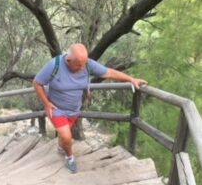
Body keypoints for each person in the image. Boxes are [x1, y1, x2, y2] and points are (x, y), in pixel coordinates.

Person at [33, 43, 147, 173]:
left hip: (74, 109)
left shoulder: (87, 64)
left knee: (65, 134)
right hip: (56, 108)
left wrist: (131, 79)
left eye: (84, 64)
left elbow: (108, 72)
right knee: (66, 135)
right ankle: (70, 157)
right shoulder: (55, 65)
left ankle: (61, 147)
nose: (82, 68)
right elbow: (37, 83)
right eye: (78, 65)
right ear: (68, 60)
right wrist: (46, 103)